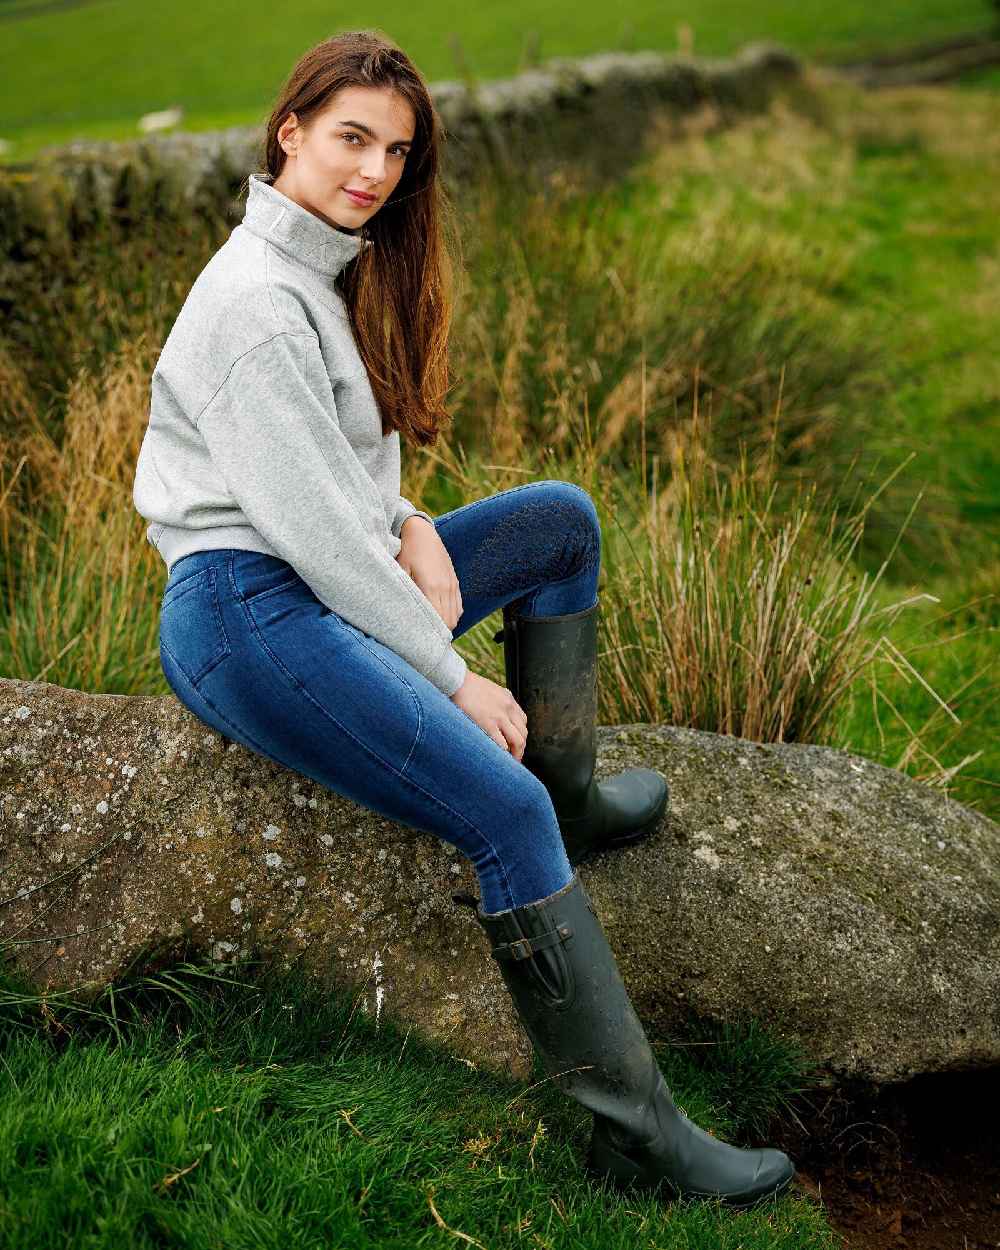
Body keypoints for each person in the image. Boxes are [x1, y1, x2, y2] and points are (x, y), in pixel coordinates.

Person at [132, 28, 795, 1211]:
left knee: (557, 523)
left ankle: (575, 798)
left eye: (394, 147)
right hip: (245, 611)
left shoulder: (316, 276)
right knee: (500, 807)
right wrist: (450, 675)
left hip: (305, 571)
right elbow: (315, 537)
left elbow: (335, 489)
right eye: (350, 138)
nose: (374, 170)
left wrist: (413, 514)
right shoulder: (253, 301)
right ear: (290, 133)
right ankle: (635, 1142)